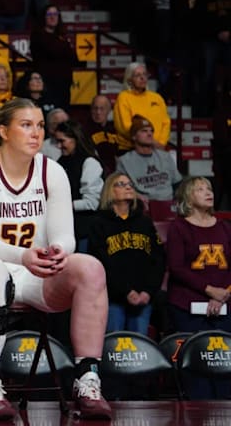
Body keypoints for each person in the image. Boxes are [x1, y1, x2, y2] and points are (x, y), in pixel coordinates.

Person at [0, 98, 112, 420]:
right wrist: (21, 255)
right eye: (26, 125)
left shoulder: (52, 170)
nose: (36, 133)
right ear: (4, 131)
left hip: (35, 271)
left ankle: (87, 378)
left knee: (91, 268)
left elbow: (65, 234)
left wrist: (58, 250)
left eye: (40, 125)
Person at [165, 176, 231, 399]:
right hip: (186, 305)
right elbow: (176, 267)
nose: (208, 192)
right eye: (200, 189)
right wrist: (209, 290)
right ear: (188, 197)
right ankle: (197, 408)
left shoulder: (225, 228)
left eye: (209, 188)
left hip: (224, 303)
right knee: (195, 359)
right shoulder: (178, 227)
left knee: (223, 358)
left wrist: (222, 295)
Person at [88, 173, 164, 334]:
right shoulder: (98, 223)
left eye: (130, 184)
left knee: (140, 345)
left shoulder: (145, 222)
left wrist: (148, 292)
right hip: (113, 298)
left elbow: (158, 259)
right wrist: (125, 291)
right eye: (121, 184)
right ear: (110, 190)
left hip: (143, 298)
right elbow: (100, 263)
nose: (128, 187)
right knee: (114, 344)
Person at [53, 120, 104, 253]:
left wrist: (64, 205)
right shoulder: (61, 162)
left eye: (62, 141)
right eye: (57, 141)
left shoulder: (89, 163)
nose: (59, 146)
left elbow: (92, 203)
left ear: (75, 139)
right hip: (65, 230)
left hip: (85, 231)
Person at [116, 116, 182, 213]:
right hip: (143, 208)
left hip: (168, 205)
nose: (149, 134)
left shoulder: (165, 156)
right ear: (134, 136)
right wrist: (135, 196)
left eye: (151, 131)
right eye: (144, 131)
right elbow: (119, 188)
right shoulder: (124, 161)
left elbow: (178, 184)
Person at [114, 63, 170, 150]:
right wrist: (150, 142)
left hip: (157, 148)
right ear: (130, 79)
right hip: (131, 148)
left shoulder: (157, 98)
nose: (142, 77)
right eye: (138, 75)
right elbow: (125, 126)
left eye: (144, 74)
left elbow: (166, 122)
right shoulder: (123, 97)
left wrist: (161, 143)